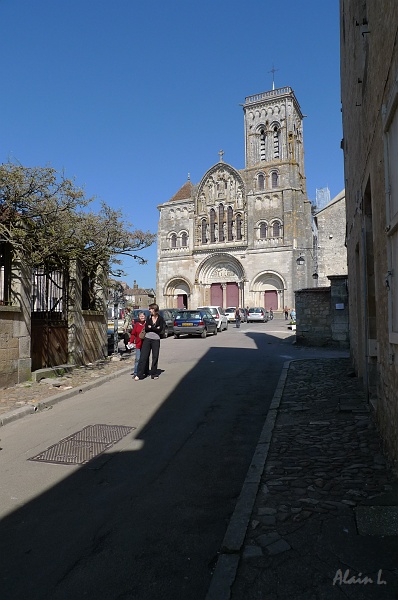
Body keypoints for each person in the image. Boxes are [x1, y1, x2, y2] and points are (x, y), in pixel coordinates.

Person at [135, 303, 165, 381]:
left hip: (156, 340)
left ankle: (154, 373)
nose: (149, 310)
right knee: (143, 356)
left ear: (154, 309)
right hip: (147, 339)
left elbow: (161, 329)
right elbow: (147, 329)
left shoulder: (161, 318)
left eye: (150, 309)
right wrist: (155, 328)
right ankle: (139, 374)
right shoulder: (148, 317)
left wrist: (152, 327)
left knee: (155, 357)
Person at [129, 312, 148, 379]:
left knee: (145, 359)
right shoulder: (137, 324)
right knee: (138, 359)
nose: (142, 317)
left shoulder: (147, 324)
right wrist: (130, 341)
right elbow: (133, 334)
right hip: (138, 344)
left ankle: (145, 371)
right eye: (140, 316)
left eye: (143, 316)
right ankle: (136, 373)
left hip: (146, 345)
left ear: (145, 317)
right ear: (138, 317)